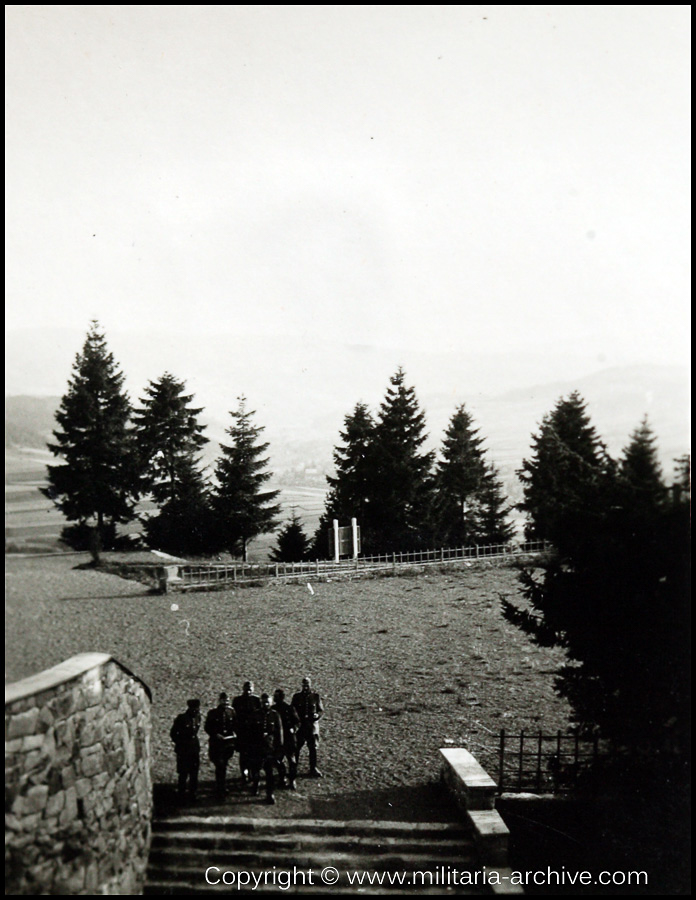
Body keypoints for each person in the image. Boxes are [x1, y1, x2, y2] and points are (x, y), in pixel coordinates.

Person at [248, 693, 282, 804]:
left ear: (271, 703)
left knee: (269, 773)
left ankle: (269, 794)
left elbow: (278, 733)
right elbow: (250, 732)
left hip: (269, 749)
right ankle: (255, 786)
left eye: (267, 702)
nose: (265, 704)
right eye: (263, 702)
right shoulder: (255, 715)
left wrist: (278, 749)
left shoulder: (275, 715)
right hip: (257, 748)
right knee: (256, 770)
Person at [204, 692, 237, 796]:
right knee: (219, 765)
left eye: (227, 700)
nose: (225, 702)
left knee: (224, 765)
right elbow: (207, 727)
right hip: (216, 744)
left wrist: (234, 733)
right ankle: (220, 787)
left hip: (228, 744)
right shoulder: (213, 713)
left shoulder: (231, 712)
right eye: (223, 700)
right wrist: (216, 734)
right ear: (219, 701)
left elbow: (235, 725)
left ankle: (221, 786)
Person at [291, 676, 324, 777]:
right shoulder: (296, 697)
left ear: (310, 685)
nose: (306, 686)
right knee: (296, 748)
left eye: (307, 684)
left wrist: (317, 715)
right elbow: (292, 710)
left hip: (311, 727)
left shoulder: (315, 697)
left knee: (313, 748)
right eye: (304, 684)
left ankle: (313, 768)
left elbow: (321, 710)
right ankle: (293, 768)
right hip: (301, 726)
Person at [170, 698, 201, 799]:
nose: (197, 710)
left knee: (194, 772)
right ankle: (181, 794)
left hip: (194, 749)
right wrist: (181, 743)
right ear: (190, 708)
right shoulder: (182, 718)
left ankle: (193, 793)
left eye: (197, 708)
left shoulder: (197, 718)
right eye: (195, 709)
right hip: (183, 750)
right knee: (183, 773)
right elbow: (173, 733)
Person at [232, 680, 261, 782]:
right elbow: (234, 717)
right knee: (243, 754)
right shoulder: (237, 701)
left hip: (254, 732)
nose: (248, 691)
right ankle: (244, 773)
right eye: (246, 689)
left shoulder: (257, 700)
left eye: (250, 689)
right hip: (242, 732)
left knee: (253, 754)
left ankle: (253, 773)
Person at [272, 688, 301, 790]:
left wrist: (294, 729)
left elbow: (297, 722)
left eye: (276, 696)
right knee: (277, 761)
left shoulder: (289, 709)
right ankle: (282, 778)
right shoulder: (273, 709)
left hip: (289, 739)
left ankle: (292, 780)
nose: (274, 698)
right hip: (278, 740)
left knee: (292, 761)